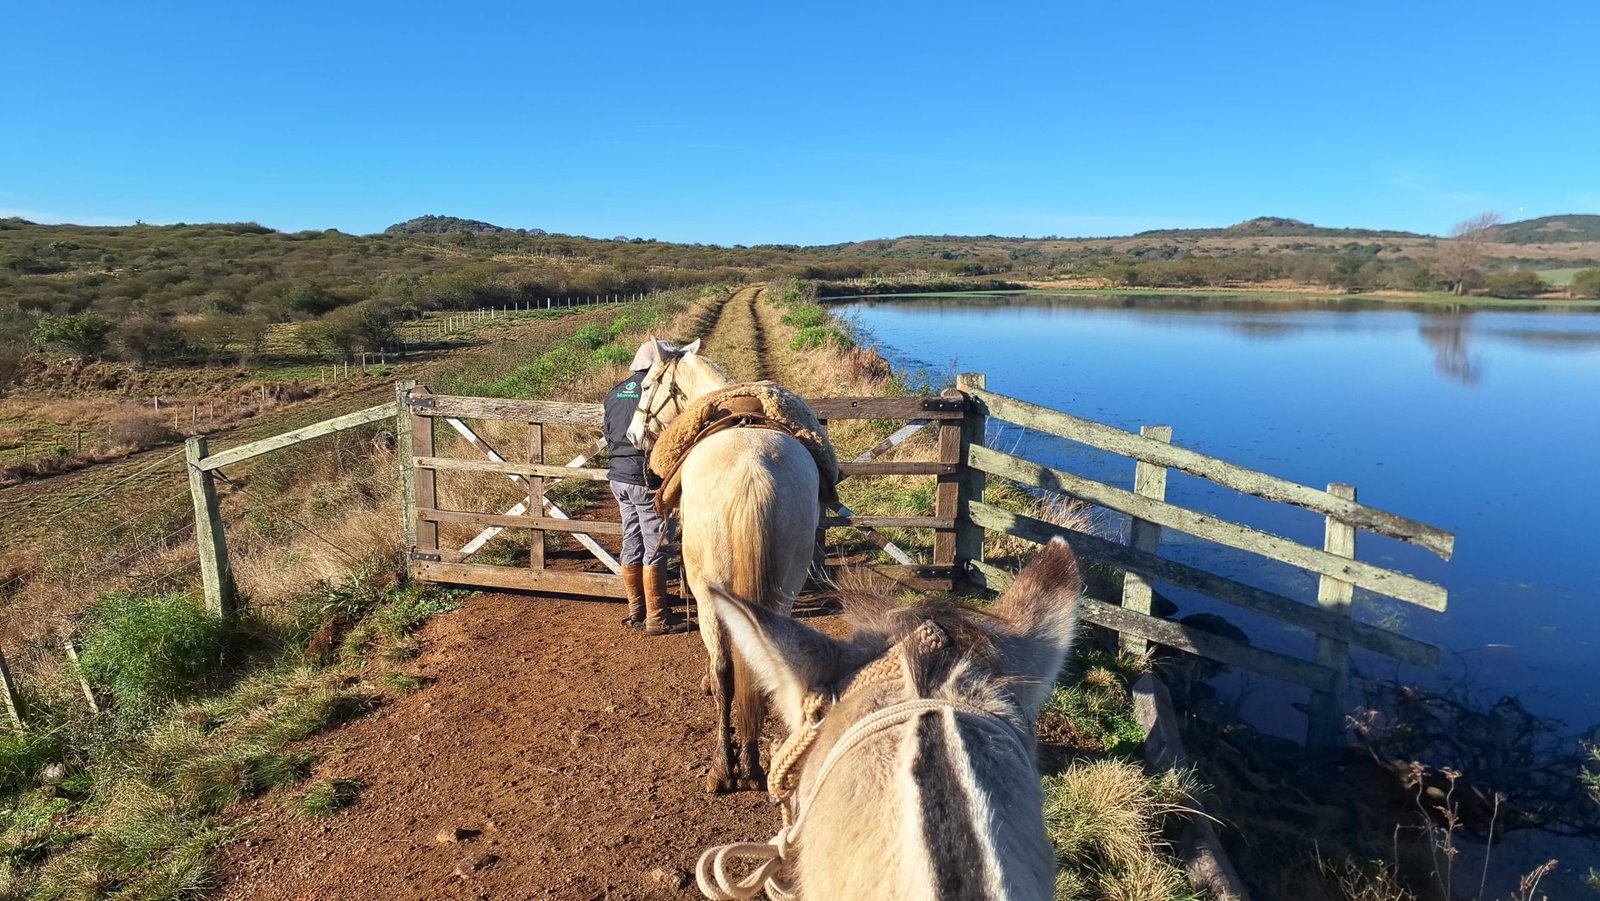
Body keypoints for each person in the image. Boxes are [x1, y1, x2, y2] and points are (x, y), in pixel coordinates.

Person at [604, 341, 690, 635]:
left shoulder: (615, 391)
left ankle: (636, 611)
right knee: (656, 544)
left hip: (618, 477)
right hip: (646, 477)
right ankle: (657, 618)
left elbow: (608, 432)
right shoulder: (658, 390)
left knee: (632, 539)